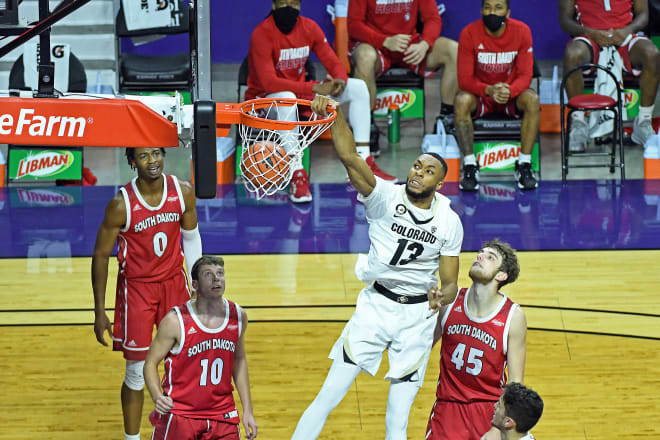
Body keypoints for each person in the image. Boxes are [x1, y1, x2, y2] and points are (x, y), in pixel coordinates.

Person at [292, 95, 463, 440]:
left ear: (439, 184)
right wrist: (335, 115)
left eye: (429, 171)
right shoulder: (385, 195)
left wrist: (440, 296)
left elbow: (450, 284)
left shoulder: (449, 221)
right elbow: (349, 157)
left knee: (396, 421)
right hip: (375, 307)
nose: (418, 173)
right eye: (417, 166)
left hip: (417, 319)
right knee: (327, 396)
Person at [91, 147, 202, 440]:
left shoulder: (183, 192)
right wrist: (99, 310)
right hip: (136, 290)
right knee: (137, 373)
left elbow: (191, 238)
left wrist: (198, 286)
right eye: (143, 156)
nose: (152, 161)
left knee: (181, 369)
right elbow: (101, 255)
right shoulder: (120, 204)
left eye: (156, 154)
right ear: (131, 162)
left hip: (174, 285)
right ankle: (133, 438)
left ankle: (179, 430)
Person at [246, 0, 396, 204]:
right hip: (264, 101)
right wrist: (314, 88)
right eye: (283, 3)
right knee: (287, 98)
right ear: (273, 6)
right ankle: (296, 172)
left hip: (300, 94)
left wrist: (340, 79)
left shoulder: (309, 27)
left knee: (358, 87)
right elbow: (269, 82)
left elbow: (332, 60)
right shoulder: (261, 33)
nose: (289, 8)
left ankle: (363, 160)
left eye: (294, 4)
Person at [144, 255, 258, 440]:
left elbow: (239, 359)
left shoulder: (238, 316)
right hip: (181, 413)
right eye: (208, 274)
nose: (216, 279)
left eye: (220, 273)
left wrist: (247, 410)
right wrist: (157, 396)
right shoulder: (175, 321)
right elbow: (150, 363)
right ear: (194, 285)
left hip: (223, 414)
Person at [425, 238, 527, 440]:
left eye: (490, 257)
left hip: (489, 413)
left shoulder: (512, 317)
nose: (480, 256)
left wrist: (498, 428)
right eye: (481, 253)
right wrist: (425, 314)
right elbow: (419, 348)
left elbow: (515, 384)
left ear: (501, 275)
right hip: (447, 408)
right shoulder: (449, 301)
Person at [348, 0, 459, 152]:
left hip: (409, 46)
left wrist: (425, 43)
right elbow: (354, 25)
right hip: (376, 44)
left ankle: (446, 119)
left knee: (453, 50)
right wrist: (385, 41)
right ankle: (366, 126)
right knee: (364, 57)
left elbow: (433, 18)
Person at [454, 0, 540, 192]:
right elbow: (464, 80)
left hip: (510, 96)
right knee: (461, 100)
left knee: (532, 98)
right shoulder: (469, 33)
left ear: (507, 12)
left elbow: (526, 75)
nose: (492, 12)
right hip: (482, 96)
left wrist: (510, 90)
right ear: (481, 10)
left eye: (498, 7)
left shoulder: (522, 31)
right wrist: (489, 90)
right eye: (487, 7)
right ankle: (470, 166)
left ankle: (524, 165)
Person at [560, 0, 660, 151]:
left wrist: (626, 31)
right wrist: (591, 32)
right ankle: (578, 123)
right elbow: (565, 21)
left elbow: (644, 16)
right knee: (572, 54)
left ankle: (643, 122)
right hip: (590, 36)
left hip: (624, 35)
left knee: (652, 54)